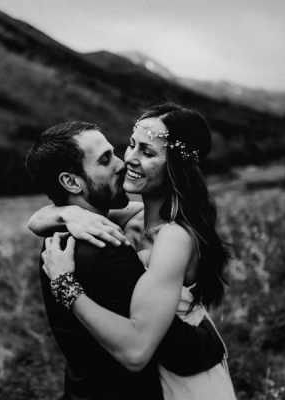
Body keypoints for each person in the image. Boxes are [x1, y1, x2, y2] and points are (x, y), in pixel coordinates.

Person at [32, 104, 237, 399]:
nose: (128, 159)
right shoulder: (132, 217)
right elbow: (37, 220)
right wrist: (67, 214)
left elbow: (137, 350)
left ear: (175, 167)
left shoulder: (173, 237)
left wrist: (65, 286)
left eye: (148, 152)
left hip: (186, 381)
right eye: (131, 145)